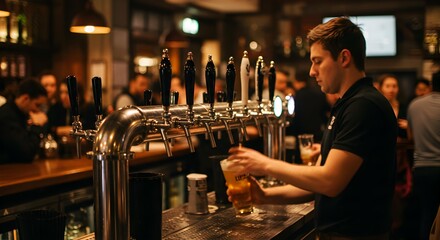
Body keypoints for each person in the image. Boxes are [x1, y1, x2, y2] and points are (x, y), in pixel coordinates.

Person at [227, 17, 397, 239]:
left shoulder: (363, 106)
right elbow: (315, 181)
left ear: (344, 58)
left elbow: (330, 181)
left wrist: (265, 164)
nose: (311, 71)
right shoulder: (345, 105)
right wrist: (265, 195)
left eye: (318, 61)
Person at [407, 71, 440, 240]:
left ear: (431, 85)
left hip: (422, 169)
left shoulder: (414, 105)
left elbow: (411, 137)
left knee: (426, 215)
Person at [0, 79, 48, 164]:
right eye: (37, 105)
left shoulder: (22, 114)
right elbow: (26, 153)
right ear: (25, 99)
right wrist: (37, 125)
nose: (38, 110)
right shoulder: (6, 116)